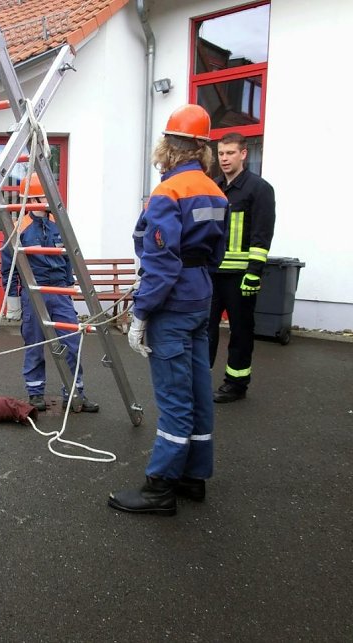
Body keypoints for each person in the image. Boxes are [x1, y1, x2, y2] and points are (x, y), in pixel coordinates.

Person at [109, 104, 227, 516]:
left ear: (169, 147)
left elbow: (161, 262)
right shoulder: (216, 191)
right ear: (203, 150)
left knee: (174, 398)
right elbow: (216, 255)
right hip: (200, 299)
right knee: (197, 391)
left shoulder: (168, 193)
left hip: (172, 306)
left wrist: (141, 313)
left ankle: (160, 488)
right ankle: (193, 477)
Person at [1, 173, 99, 413]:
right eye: (45, 195)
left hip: (59, 292)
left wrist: (67, 289)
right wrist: (13, 299)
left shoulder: (59, 224)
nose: (51, 199)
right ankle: (35, 393)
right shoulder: (19, 229)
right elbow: (8, 266)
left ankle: (75, 393)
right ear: (33, 198)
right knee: (34, 344)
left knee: (72, 343)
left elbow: (67, 259)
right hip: (34, 293)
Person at [209, 132, 276, 403]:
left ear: (243, 154)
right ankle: (201, 378)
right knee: (206, 329)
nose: (224, 159)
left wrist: (254, 273)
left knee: (241, 330)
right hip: (213, 274)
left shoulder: (259, 189)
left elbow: (262, 235)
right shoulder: (214, 188)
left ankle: (236, 383)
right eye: (221, 154)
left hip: (240, 277)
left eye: (230, 153)